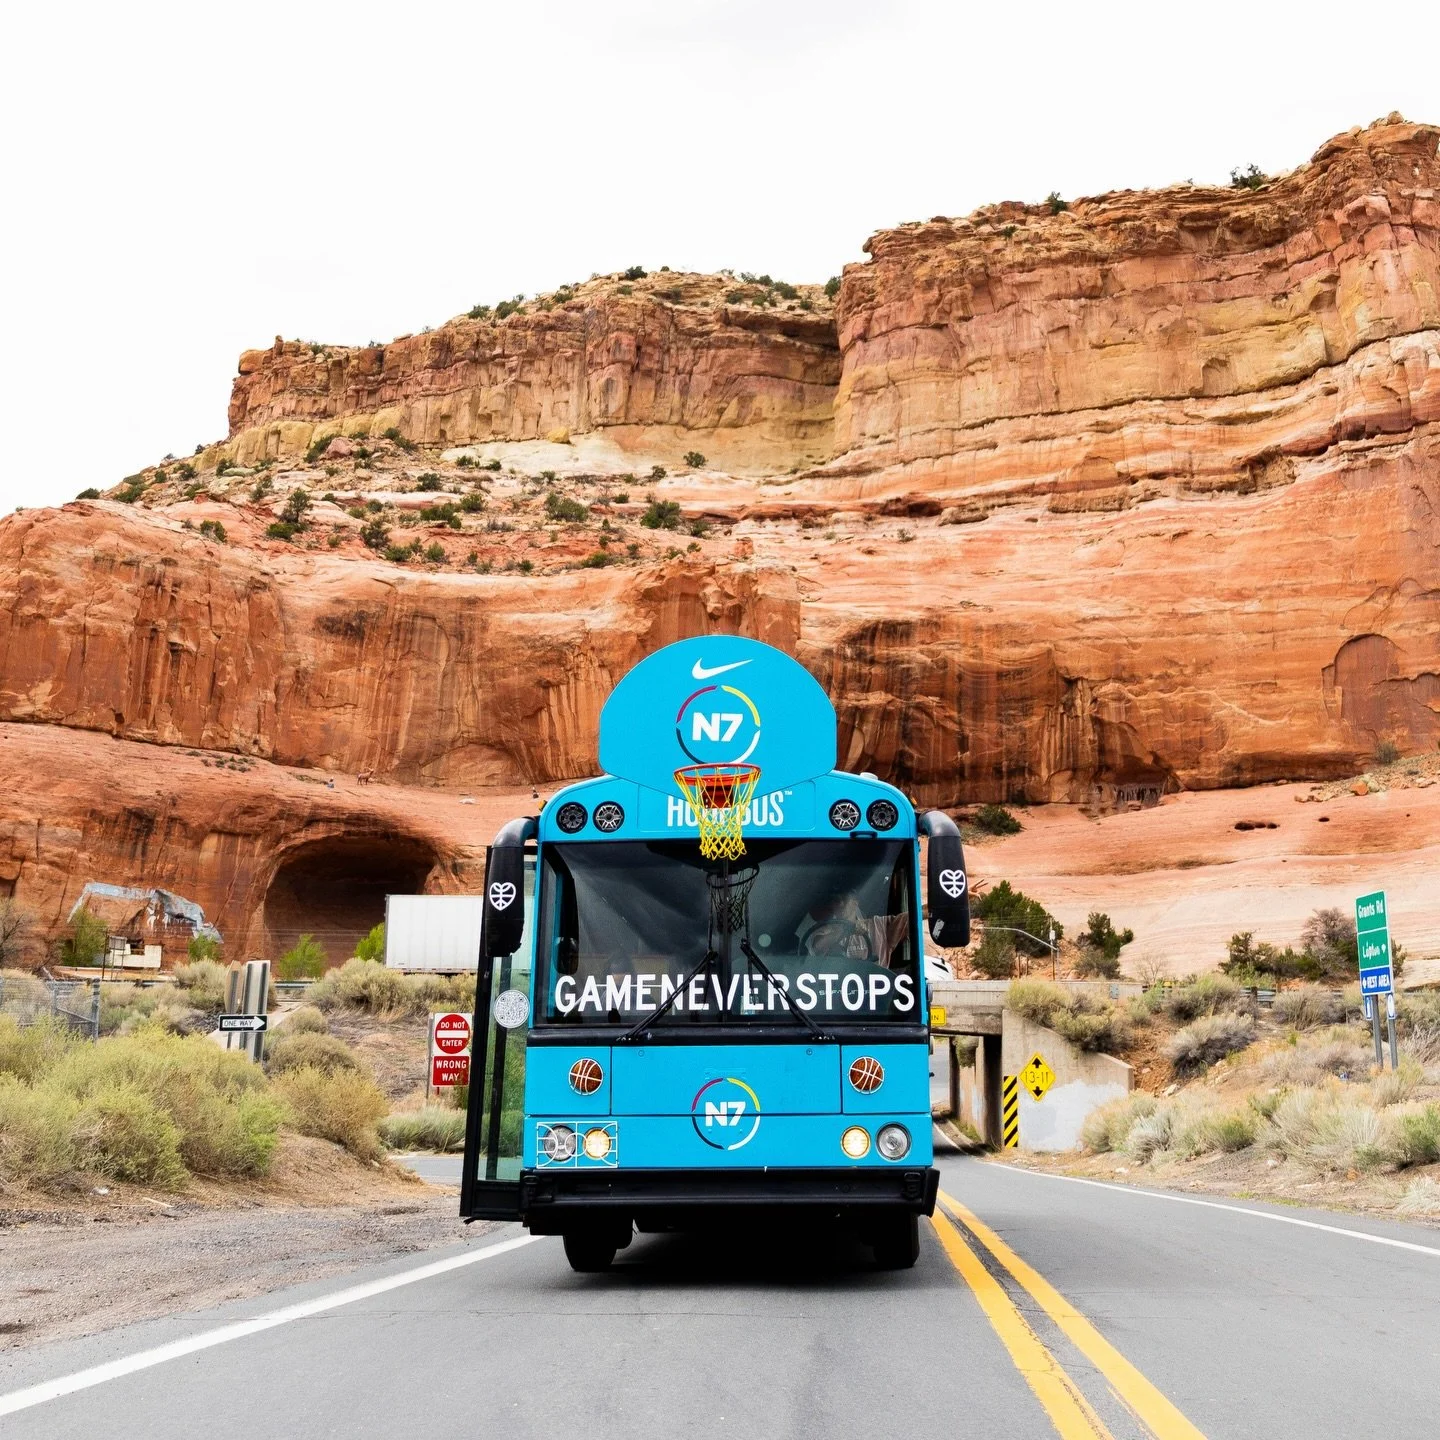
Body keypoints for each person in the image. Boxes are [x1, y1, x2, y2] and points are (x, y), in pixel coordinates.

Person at [802, 891, 909, 968]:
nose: (841, 904)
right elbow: (817, 946)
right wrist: (846, 929)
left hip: (874, 988)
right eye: (836, 901)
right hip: (837, 988)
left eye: (844, 899)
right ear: (832, 906)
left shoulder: (878, 926)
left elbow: (910, 917)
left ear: (855, 903)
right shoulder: (824, 931)